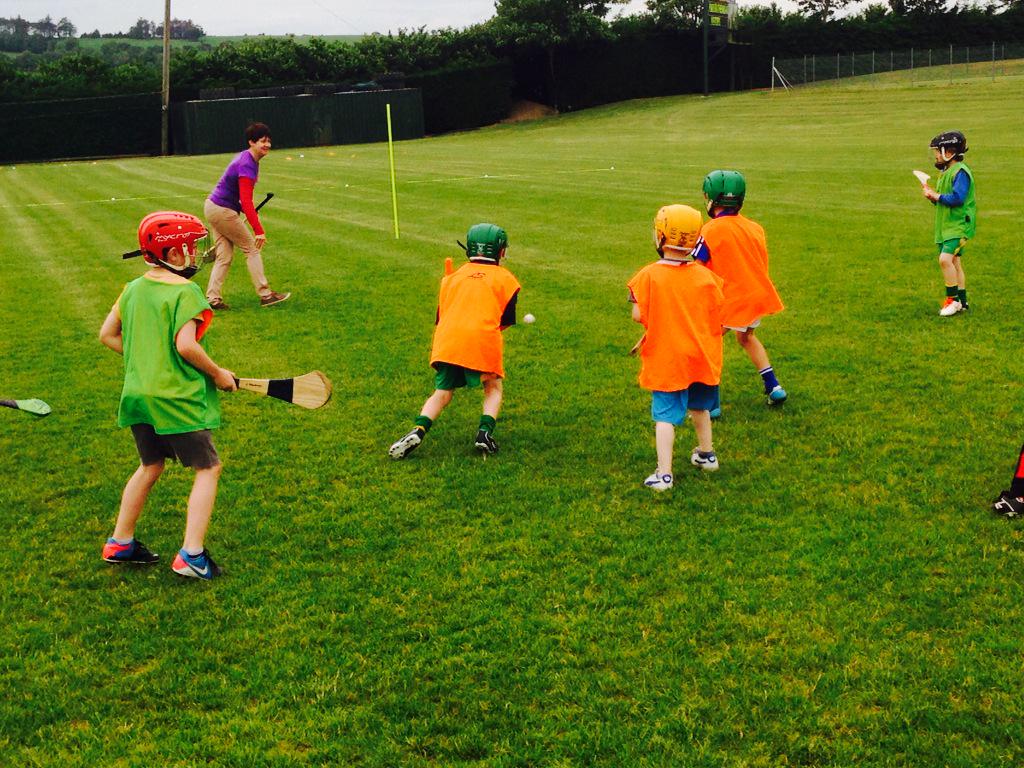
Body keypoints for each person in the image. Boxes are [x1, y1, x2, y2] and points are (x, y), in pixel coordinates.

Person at [99, 211, 237, 580]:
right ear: (172, 254)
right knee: (208, 468)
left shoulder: (132, 288)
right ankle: (192, 555)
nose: (194, 254)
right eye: (189, 248)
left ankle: (120, 543)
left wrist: (146, 358)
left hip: (139, 396)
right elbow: (187, 346)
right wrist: (219, 374)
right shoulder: (186, 292)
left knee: (150, 465)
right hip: (175, 398)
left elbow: (108, 334)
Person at [389, 223, 521, 459]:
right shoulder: (507, 279)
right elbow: (505, 319)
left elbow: (441, 315)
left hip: (447, 340)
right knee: (493, 387)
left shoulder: (451, 277)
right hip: (482, 337)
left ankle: (418, 430)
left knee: (442, 392)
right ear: (500, 251)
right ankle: (484, 434)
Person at [628, 204, 725, 491]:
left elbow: (638, 314)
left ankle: (664, 473)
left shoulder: (647, 276)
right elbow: (715, 312)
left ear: (660, 237)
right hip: (701, 355)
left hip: (669, 358)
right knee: (700, 407)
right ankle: (707, 455)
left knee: (665, 417)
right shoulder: (707, 276)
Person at [693, 170, 786, 415]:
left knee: (708, 342)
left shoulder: (709, 230)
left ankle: (711, 403)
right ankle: (773, 386)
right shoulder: (755, 228)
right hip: (755, 297)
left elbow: (697, 268)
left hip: (730, 300)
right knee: (746, 338)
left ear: (712, 199)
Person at [204, 122, 290, 309]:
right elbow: (246, 200)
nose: (267, 145)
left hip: (214, 207)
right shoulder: (247, 164)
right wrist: (259, 230)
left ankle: (212, 298)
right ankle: (266, 295)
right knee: (251, 249)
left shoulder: (248, 159)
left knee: (224, 256)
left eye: (268, 141)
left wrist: (242, 209)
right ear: (251, 142)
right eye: (262, 141)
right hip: (222, 210)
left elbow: (242, 200)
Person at [921, 131, 976, 317]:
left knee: (945, 260)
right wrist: (933, 197)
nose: (936, 155)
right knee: (955, 262)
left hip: (958, 226)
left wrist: (937, 196)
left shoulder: (960, 172)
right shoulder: (946, 173)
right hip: (947, 227)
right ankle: (962, 301)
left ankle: (952, 301)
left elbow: (958, 198)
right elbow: (944, 199)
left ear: (949, 152)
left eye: (938, 151)